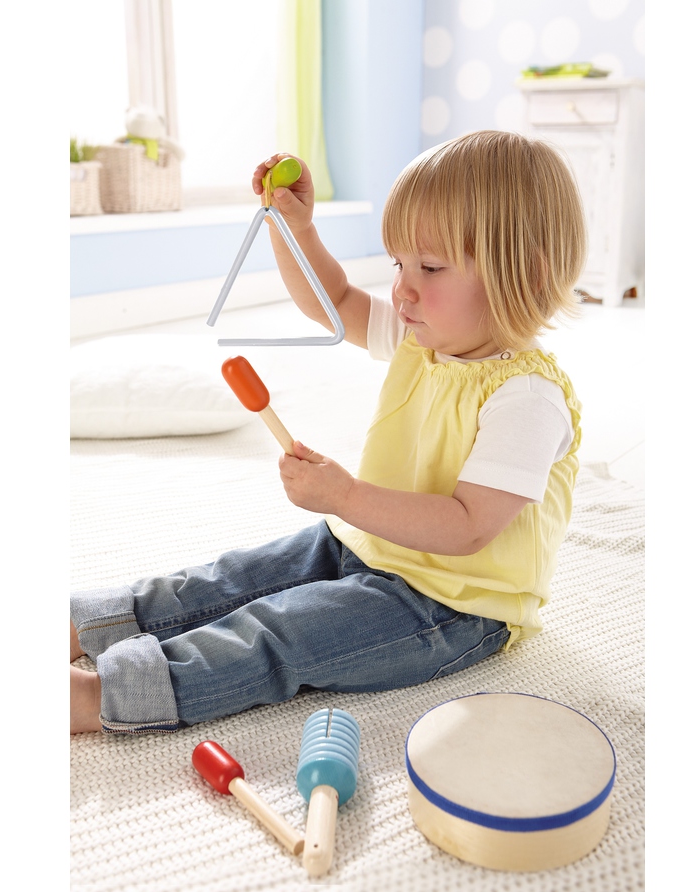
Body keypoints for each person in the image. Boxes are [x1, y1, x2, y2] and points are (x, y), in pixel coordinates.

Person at [70, 129, 587, 735]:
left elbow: (469, 527)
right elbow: (333, 299)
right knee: (235, 578)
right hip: (367, 540)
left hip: (452, 603)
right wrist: (293, 228)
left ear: (526, 275)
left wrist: (345, 496)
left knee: (280, 630)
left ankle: (107, 693)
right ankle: (85, 624)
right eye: (399, 263)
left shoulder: (528, 399)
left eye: (430, 267)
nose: (403, 289)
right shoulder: (424, 338)